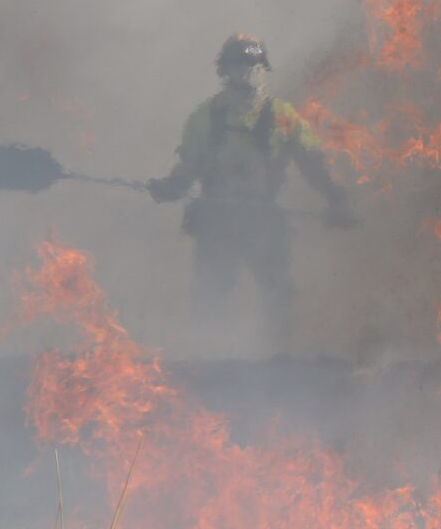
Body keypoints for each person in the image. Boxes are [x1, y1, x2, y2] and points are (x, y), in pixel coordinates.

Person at [149, 33, 357, 348]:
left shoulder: (283, 116)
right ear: (225, 71)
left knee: (278, 294)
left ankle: (277, 359)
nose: (248, 72)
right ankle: (209, 358)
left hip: (264, 219)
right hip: (217, 220)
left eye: (255, 66)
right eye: (240, 65)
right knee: (211, 294)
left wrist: (335, 197)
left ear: (264, 71)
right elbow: (189, 166)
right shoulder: (205, 117)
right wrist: (170, 187)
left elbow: (312, 163)